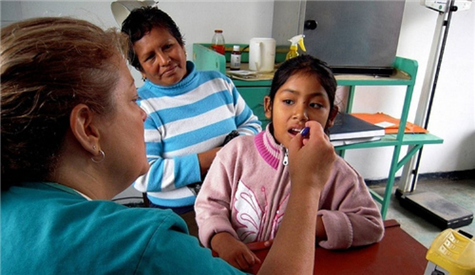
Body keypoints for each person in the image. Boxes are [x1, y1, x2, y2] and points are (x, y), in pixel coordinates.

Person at [0, 17, 336, 275]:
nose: (143, 115)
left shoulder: (218, 82)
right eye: (134, 99)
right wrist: (307, 184)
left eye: (169, 46)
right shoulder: (146, 246)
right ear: (88, 128)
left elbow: (245, 125)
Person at [195, 54, 385, 270]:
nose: (300, 114)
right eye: (288, 101)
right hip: (234, 266)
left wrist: (314, 225)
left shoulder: (335, 171)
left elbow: (371, 224)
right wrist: (222, 239)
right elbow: (209, 204)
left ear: (331, 116)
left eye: (315, 105)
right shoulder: (237, 152)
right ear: (268, 106)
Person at [120, 7, 261, 217]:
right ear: (140, 69)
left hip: (237, 202)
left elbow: (252, 125)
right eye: (150, 57)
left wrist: (237, 144)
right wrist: (215, 157)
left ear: (182, 46)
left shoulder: (219, 83)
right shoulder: (142, 106)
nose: (164, 60)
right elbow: (145, 176)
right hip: (181, 214)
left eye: (168, 46)